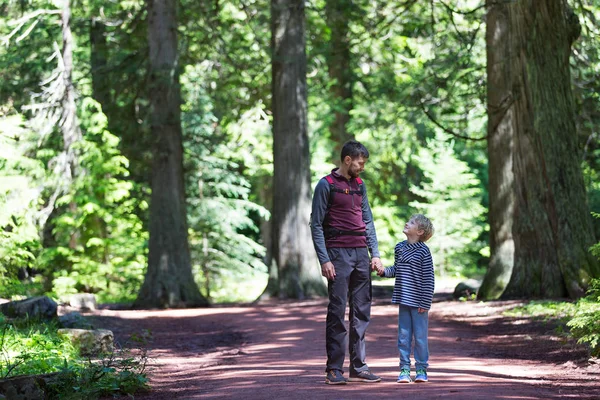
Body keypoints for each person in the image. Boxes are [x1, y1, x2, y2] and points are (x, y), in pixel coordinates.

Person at [310, 140, 383, 385]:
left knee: (362, 312)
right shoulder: (325, 185)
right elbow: (317, 225)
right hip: (337, 255)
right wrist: (325, 259)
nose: (363, 167)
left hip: (361, 254)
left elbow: (368, 220)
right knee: (337, 312)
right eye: (360, 163)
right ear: (348, 160)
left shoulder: (360, 185)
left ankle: (358, 367)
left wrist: (375, 253)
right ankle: (334, 369)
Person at [375, 214, 435, 383]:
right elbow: (396, 269)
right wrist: (383, 272)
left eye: (412, 222)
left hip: (419, 302)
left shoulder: (424, 251)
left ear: (420, 231)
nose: (407, 223)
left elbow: (429, 278)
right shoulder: (399, 247)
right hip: (403, 299)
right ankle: (404, 369)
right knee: (403, 337)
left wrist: (425, 301)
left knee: (420, 337)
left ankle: (421, 368)